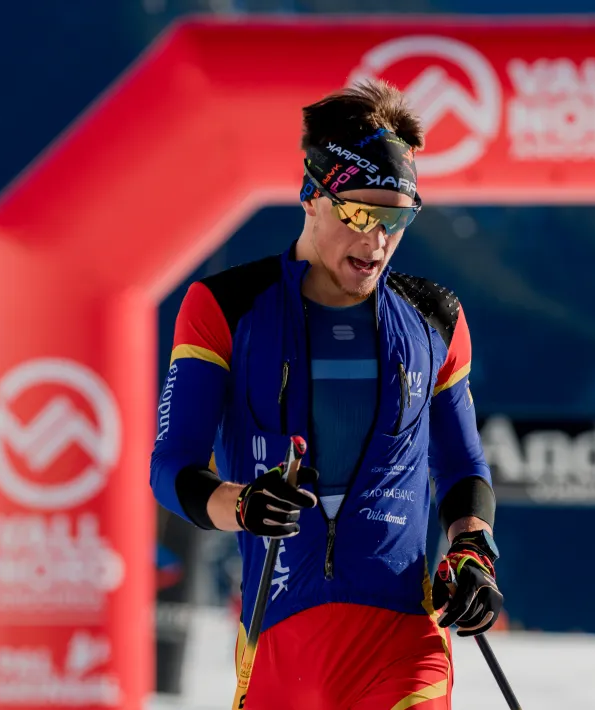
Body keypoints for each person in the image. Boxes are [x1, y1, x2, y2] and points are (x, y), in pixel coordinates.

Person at [149, 80, 503, 710]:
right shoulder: (226, 308)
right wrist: (242, 504)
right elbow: (171, 467)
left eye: (397, 218)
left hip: (402, 645)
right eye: (360, 214)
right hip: (281, 646)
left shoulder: (436, 318)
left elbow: (462, 465)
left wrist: (473, 548)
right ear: (312, 196)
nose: (378, 242)